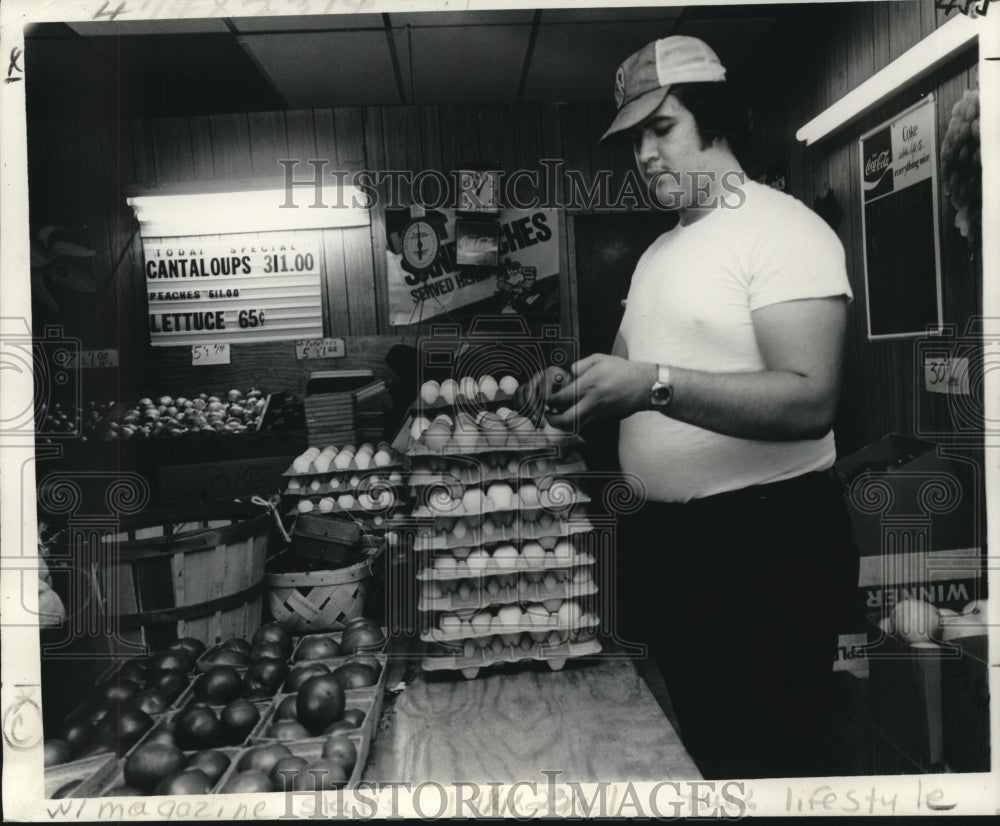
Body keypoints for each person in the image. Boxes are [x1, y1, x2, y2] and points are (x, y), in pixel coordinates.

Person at [520, 36, 859, 779]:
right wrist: (571, 392)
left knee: (769, 759)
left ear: (713, 121)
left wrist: (647, 385)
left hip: (768, 545)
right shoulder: (658, 254)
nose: (644, 154)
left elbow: (811, 399)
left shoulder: (783, 229)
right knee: (702, 749)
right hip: (676, 549)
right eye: (634, 137)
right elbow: (621, 373)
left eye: (661, 129)